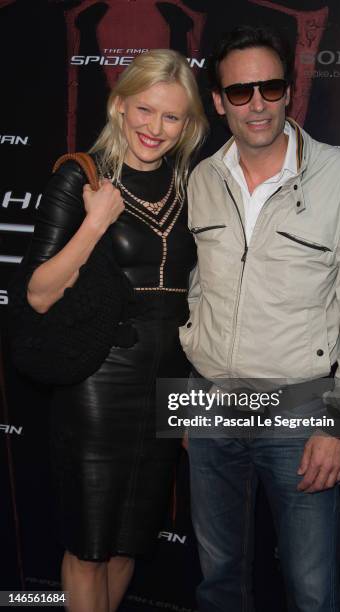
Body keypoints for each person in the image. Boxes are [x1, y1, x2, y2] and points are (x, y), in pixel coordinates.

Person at [180, 25, 340, 612]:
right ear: (218, 101)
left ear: (289, 93)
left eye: (270, 88)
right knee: (218, 578)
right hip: (209, 406)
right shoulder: (201, 179)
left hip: (302, 411)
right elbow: (195, 289)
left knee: (311, 589)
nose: (258, 105)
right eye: (241, 91)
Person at [22, 49, 208, 612]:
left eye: (171, 117)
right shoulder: (82, 177)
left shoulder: (191, 186)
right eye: (145, 110)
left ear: (188, 124)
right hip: (99, 381)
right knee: (91, 545)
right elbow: (38, 292)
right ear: (120, 107)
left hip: (169, 383)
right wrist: (95, 222)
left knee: (131, 540)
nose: (155, 128)